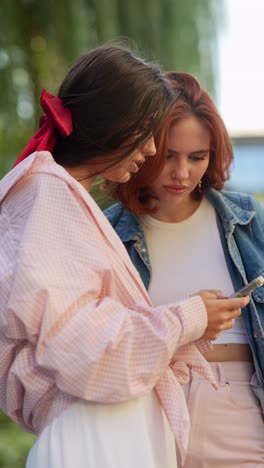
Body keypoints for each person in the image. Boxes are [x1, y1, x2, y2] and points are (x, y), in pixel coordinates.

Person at [0, 46, 248, 468]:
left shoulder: (60, 197)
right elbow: (81, 351)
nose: (151, 150)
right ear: (114, 124)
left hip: (108, 433)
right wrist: (189, 317)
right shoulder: (48, 197)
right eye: (149, 134)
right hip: (96, 435)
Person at [104, 71, 264, 467]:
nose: (182, 173)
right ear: (142, 150)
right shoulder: (105, 231)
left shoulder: (246, 218)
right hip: (144, 408)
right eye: (168, 155)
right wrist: (187, 318)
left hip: (237, 401)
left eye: (198, 157)